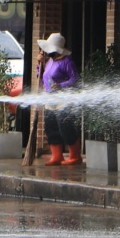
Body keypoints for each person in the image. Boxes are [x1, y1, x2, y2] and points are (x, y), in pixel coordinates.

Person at [37, 32, 81, 166]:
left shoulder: (67, 62)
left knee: (65, 127)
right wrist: (39, 64)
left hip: (63, 99)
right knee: (51, 127)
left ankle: (75, 156)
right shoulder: (50, 61)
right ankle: (57, 156)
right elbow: (41, 76)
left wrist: (61, 85)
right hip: (50, 99)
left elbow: (75, 79)